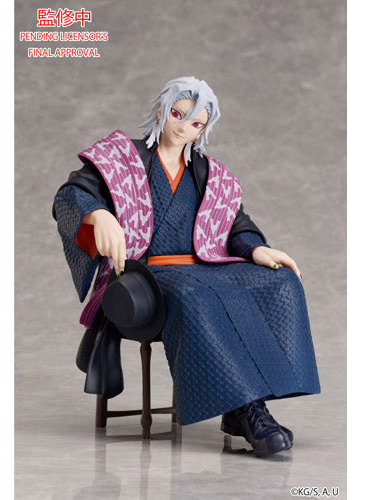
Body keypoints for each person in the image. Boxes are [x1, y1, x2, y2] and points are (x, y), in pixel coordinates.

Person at [52, 76, 321, 457]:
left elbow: (234, 223)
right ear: (161, 110)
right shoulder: (122, 158)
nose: (182, 127)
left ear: (203, 130)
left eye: (195, 123)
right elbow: (71, 194)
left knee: (280, 283)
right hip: (146, 273)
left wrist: (258, 249)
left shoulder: (207, 172)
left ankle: (248, 403)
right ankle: (248, 411)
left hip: (204, 265)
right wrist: (98, 214)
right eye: (177, 114)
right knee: (195, 295)